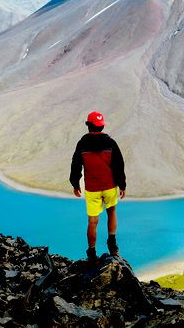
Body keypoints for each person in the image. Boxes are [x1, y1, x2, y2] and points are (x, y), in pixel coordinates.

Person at [70, 110, 126, 260]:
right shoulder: (111, 143)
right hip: (109, 186)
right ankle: (112, 244)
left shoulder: (82, 143)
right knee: (111, 211)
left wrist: (75, 184)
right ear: (101, 126)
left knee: (92, 221)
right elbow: (118, 164)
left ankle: (92, 253)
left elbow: (76, 165)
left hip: (92, 188)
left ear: (89, 125)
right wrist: (122, 185)